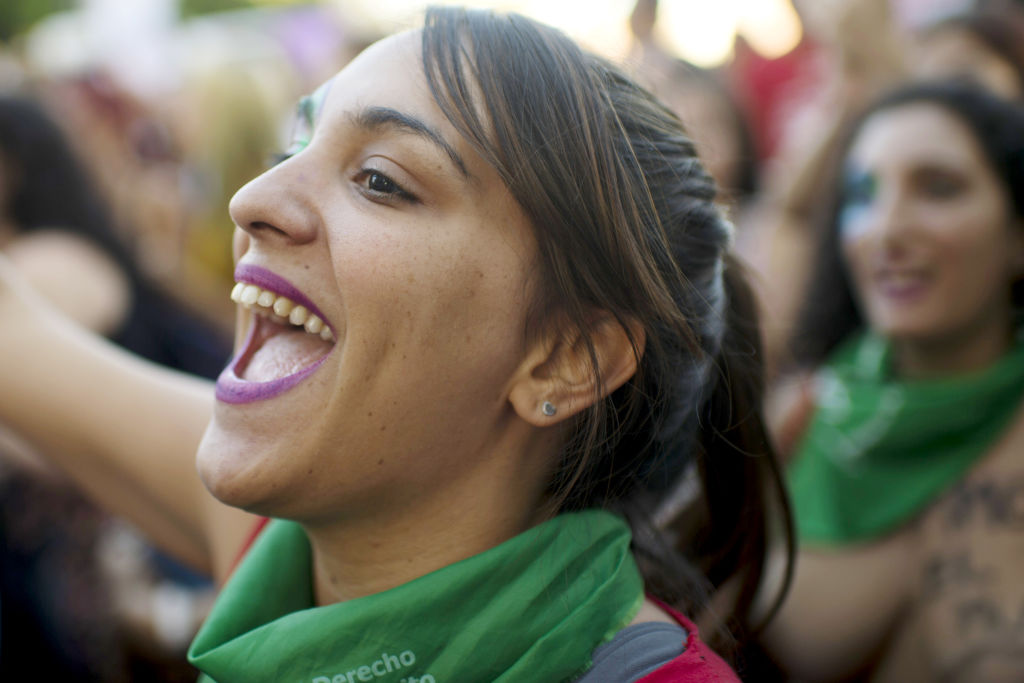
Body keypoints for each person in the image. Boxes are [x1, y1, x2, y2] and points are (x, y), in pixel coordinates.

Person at [0, 7, 790, 681]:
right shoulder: (285, 558)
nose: (251, 201)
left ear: (564, 358)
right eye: (290, 150)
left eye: (379, 179)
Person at [761, 81, 1024, 681]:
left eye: (938, 188)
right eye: (863, 193)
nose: (887, 229)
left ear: (1019, 236)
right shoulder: (804, 411)